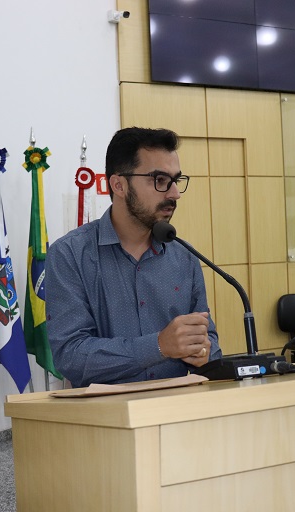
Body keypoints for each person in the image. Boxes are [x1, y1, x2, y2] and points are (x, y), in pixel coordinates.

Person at [46, 127, 222, 388]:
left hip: (176, 407)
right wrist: (158, 346)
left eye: (176, 180)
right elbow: (71, 357)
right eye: (160, 180)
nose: (174, 193)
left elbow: (210, 345)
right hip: (106, 411)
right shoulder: (70, 255)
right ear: (119, 185)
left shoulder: (184, 257)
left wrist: (203, 352)